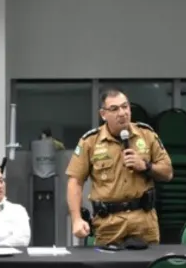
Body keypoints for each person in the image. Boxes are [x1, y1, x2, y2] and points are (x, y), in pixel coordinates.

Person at [66, 87, 173, 246]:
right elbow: (75, 182)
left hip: (143, 222)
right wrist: (76, 219)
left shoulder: (147, 135)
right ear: (103, 114)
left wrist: (145, 166)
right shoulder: (90, 141)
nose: (122, 113)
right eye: (114, 109)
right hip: (109, 224)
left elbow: (168, 172)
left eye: (125, 107)